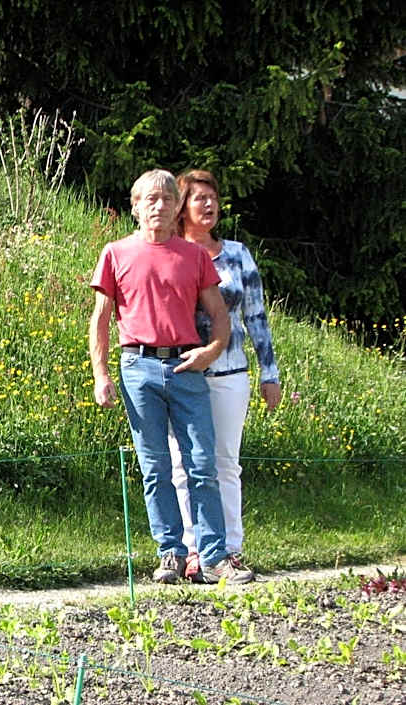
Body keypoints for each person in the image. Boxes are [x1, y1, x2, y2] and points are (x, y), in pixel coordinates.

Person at [89, 168, 253, 585]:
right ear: (135, 207)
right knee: (155, 467)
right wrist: (100, 374)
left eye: (167, 199)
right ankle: (171, 554)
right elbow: (100, 319)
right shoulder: (115, 253)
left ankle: (214, 558)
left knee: (202, 464)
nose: (159, 206)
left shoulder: (194, 256)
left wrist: (210, 351)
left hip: (185, 367)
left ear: (177, 206)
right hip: (137, 367)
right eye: (150, 199)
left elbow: (220, 316)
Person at [168, 169, 281, 582]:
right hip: (182, 374)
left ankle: (230, 549)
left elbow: (256, 317)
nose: (209, 205)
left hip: (230, 373)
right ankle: (192, 549)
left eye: (213, 198)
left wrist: (270, 373)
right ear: (182, 207)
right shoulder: (171, 253)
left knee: (225, 463)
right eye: (199, 198)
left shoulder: (237, 254)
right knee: (183, 464)